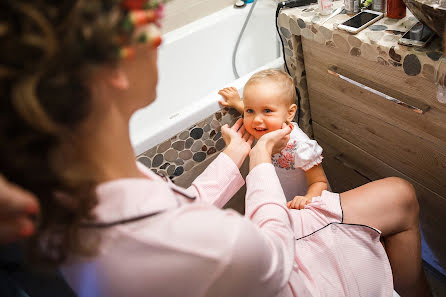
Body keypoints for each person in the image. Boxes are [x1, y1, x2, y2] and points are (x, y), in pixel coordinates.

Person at [0, 1, 432, 297]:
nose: (159, 39)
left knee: (395, 194)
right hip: (284, 270)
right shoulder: (197, 241)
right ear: (111, 70)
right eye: (146, 21)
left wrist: (234, 155)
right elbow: (273, 257)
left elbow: (186, 200)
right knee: (400, 196)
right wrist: (261, 163)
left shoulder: (80, 188)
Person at [218, 69, 329, 210]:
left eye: (267, 111)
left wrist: (306, 199)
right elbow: (253, 109)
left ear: (289, 113)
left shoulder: (300, 146)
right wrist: (236, 102)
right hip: (277, 197)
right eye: (250, 111)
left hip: (302, 203)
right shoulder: (263, 125)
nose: (257, 120)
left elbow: (319, 182)